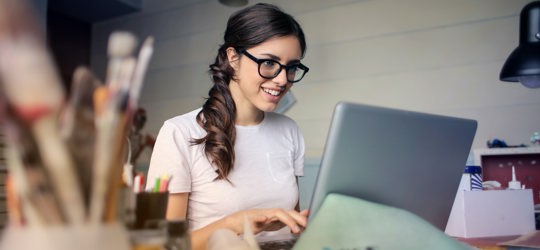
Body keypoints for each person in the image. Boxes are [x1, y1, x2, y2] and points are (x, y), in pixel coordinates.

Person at [146, 3, 310, 249]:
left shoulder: (289, 130)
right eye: (268, 63)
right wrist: (235, 223)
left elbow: (293, 226)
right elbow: (163, 245)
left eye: (292, 67)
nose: (282, 79)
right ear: (233, 58)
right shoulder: (179, 133)